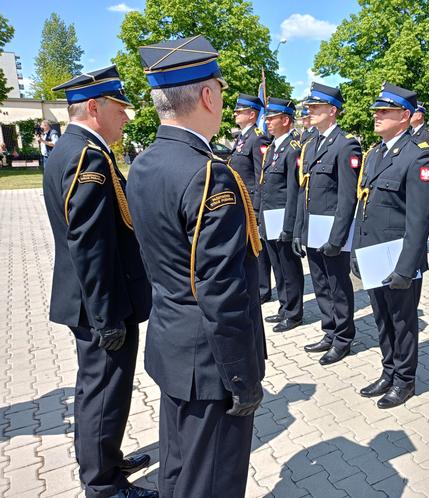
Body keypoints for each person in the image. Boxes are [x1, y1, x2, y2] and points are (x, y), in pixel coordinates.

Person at [126, 36, 266, 497]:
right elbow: (221, 289)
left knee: (178, 471)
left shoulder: (144, 163)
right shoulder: (209, 172)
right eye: (221, 90)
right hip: (211, 363)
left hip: (173, 347)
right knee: (212, 483)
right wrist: (242, 377)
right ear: (208, 95)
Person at [43, 66, 154, 498]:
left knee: (101, 389)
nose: (125, 117)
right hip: (100, 304)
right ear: (94, 107)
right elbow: (89, 245)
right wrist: (107, 316)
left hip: (96, 298)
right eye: (119, 108)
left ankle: (106, 459)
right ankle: (104, 485)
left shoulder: (76, 149)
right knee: (104, 392)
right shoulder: (86, 156)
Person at [352, 83, 429, 408]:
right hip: (374, 254)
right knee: (381, 319)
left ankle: (405, 380)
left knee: (403, 322)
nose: (377, 116)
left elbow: (419, 221)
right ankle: (388, 371)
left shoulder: (418, 157)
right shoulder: (375, 154)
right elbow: (366, 206)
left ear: (404, 116)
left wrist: (406, 266)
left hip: (398, 258)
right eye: (376, 111)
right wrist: (357, 253)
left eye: (384, 112)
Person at [294, 82, 361, 365]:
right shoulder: (311, 145)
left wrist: (338, 238)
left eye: (316, 107)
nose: (311, 111)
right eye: (310, 107)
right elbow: (303, 192)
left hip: (332, 231)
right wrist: (299, 230)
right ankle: (329, 330)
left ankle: (344, 338)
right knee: (320, 283)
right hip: (313, 228)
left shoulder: (346, 145)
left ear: (332, 111)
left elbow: (348, 197)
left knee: (338, 285)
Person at [260, 97, 304, 332]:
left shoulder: (292, 149)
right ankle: (284, 307)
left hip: (283, 218)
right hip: (269, 217)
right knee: (277, 266)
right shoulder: (273, 147)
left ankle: (294, 313)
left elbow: (293, 191)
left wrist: (289, 226)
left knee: (289, 268)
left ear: (285, 120)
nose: (267, 122)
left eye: (271, 118)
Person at [231, 93, 273, 304]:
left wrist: (256, 208)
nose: (235, 113)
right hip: (242, 202)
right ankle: (257, 286)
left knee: (259, 248)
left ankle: (263, 290)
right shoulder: (242, 137)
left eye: (239, 111)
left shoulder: (257, 138)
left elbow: (261, 176)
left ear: (252, 114)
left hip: (252, 203)